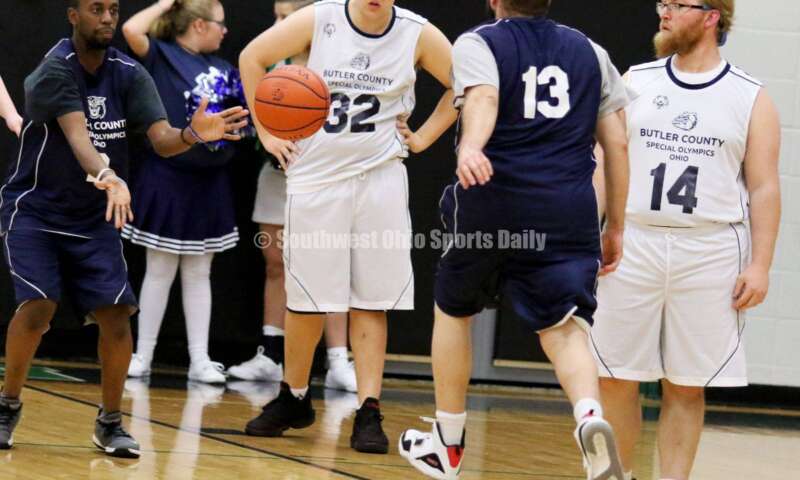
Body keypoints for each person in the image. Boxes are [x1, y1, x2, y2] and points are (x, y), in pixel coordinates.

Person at [0, 0, 247, 458]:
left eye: (113, 9)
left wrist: (193, 134)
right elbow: (80, 139)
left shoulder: (129, 73)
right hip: (37, 211)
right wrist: (111, 179)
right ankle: (7, 405)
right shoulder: (56, 69)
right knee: (38, 306)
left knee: (116, 316)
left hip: (93, 218)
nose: (109, 18)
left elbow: (162, 140)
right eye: (97, 9)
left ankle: (110, 423)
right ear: (73, 15)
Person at [398, 0, 632, 478]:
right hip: (567, 212)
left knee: (454, 309)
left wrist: (471, 146)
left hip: (494, 201)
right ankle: (589, 415)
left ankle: (447, 443)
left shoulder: (479, 41)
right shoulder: (591, 51)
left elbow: (482, 98)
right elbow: (618, 145)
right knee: (566, 330)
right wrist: (617, 226)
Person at [239, 0, 457, 453]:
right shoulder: (319, 19)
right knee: (307, 300)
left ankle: (369, 410)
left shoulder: (417, 33)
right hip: (316, 177)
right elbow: (251, 59)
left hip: (379, 179)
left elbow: (468, 85)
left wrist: (424, 137)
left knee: (370, 301)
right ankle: (294, 396)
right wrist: (267, 132)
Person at [590, 2, 781, 479]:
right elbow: (603, 160)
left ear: (712, 15)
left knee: (687, 385)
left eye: (677, 4)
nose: (665, 12)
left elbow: (764, 187)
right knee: (612, 375)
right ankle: (617, 475)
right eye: (663, 3)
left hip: (709, 250)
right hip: (632, 241)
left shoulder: (750, 96)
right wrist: (585, 234)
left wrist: (760, 265)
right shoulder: (638, 78)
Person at [227, 0, 358, 394]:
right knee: (274, 263)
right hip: (278, 173)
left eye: (286, 17)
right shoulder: (271, 63)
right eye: (277, 15)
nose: (278, 23)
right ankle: (269, 355)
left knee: (331, 269)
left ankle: (338, 360)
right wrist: (270, 139)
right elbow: (258, 118)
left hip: (327, 176)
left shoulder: (341, 62)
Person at [121, 0, 250, 384]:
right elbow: (131, 30)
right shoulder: (162, 55)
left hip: (209, 183)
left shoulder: (226, 69)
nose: (225, 31)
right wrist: (166, 2)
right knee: (159, 268)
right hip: (169, 176)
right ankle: (142, 355)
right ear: (197, 25)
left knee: (199, 270)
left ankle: (200, 359)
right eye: (219, 24)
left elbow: (241, 122)